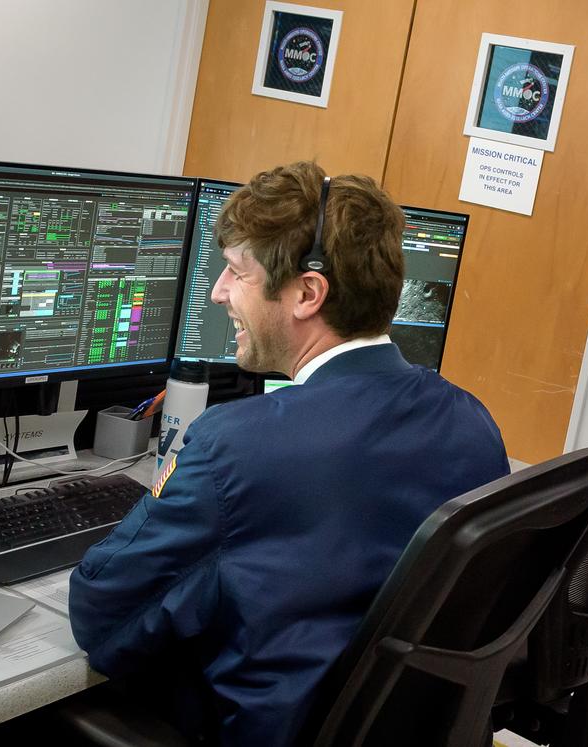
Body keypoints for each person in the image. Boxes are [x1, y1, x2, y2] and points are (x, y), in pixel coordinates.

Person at [68, 161, 509, 745]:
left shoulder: (236, 446)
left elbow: (103, 614)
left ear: (307, 293)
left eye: (235, 273)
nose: (219, 293)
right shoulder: (472, 422)